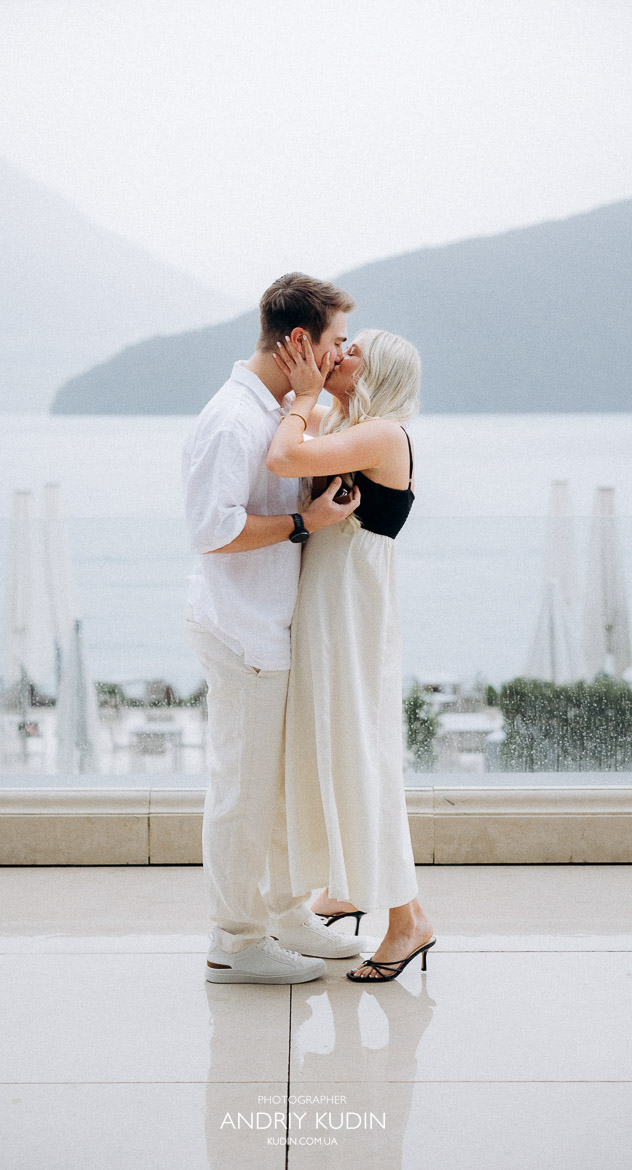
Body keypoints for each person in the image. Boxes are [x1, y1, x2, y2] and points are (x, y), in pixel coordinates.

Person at [182, 272, 368, 985]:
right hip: (240, 632)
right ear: (300, 341)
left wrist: (321, 404)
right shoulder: (233, 418)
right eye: (335, 343)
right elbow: (213, 530)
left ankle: (287, 914)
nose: (340, 354)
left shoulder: (277, 409)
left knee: (281, 789)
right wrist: (303, 523)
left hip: (272, 628)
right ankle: (234, 937)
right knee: (241, 791)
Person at [266, 327, 436, 982]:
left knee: (360, 751)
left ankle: (407, 919)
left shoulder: (382, 434)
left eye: (354, 350)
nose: (341, 355)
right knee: (332, 745)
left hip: (352, 613)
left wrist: (301, 398)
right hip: (331, 607)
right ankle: (348, 883)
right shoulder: (350, 422)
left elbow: (285, 459)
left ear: (378, 372)